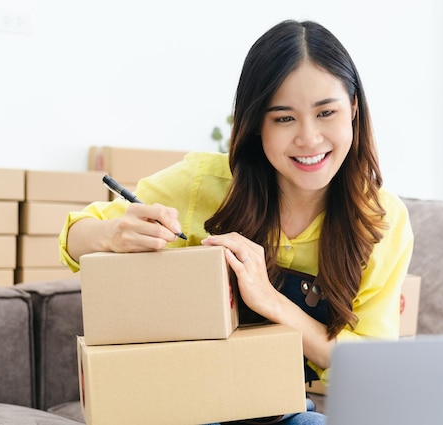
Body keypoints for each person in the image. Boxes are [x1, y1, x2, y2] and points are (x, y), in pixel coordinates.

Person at [59, 19, 413, 425]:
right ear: (256, 123)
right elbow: (72, 236)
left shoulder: (381, 220)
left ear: (353, 108)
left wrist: (270, 300)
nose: (309, 138)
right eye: (283, 118)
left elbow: (368, 363)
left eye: (326, 112)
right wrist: (111, 234)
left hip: (281, 414)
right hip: (183, 406)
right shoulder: (201, 185)